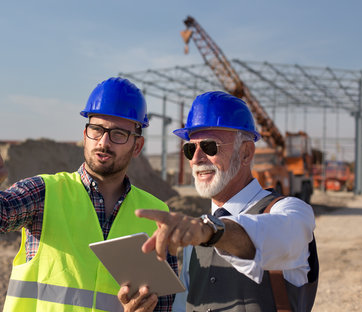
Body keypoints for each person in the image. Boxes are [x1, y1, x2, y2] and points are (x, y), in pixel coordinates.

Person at [0, 77, 178, 312]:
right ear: (85, 135)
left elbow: (164, 303)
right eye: (97, 130)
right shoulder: (45, 192)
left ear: (137, 146)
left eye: (118, 134)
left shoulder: (158, 216)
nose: (103, 142)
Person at [119, 91, 318, 312]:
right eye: (190, 148)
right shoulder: (196, 234)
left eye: (210, 147)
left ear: (245, 153)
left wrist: (213, 231)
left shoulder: (290, 211)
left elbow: (273, 236)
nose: (196, 158)